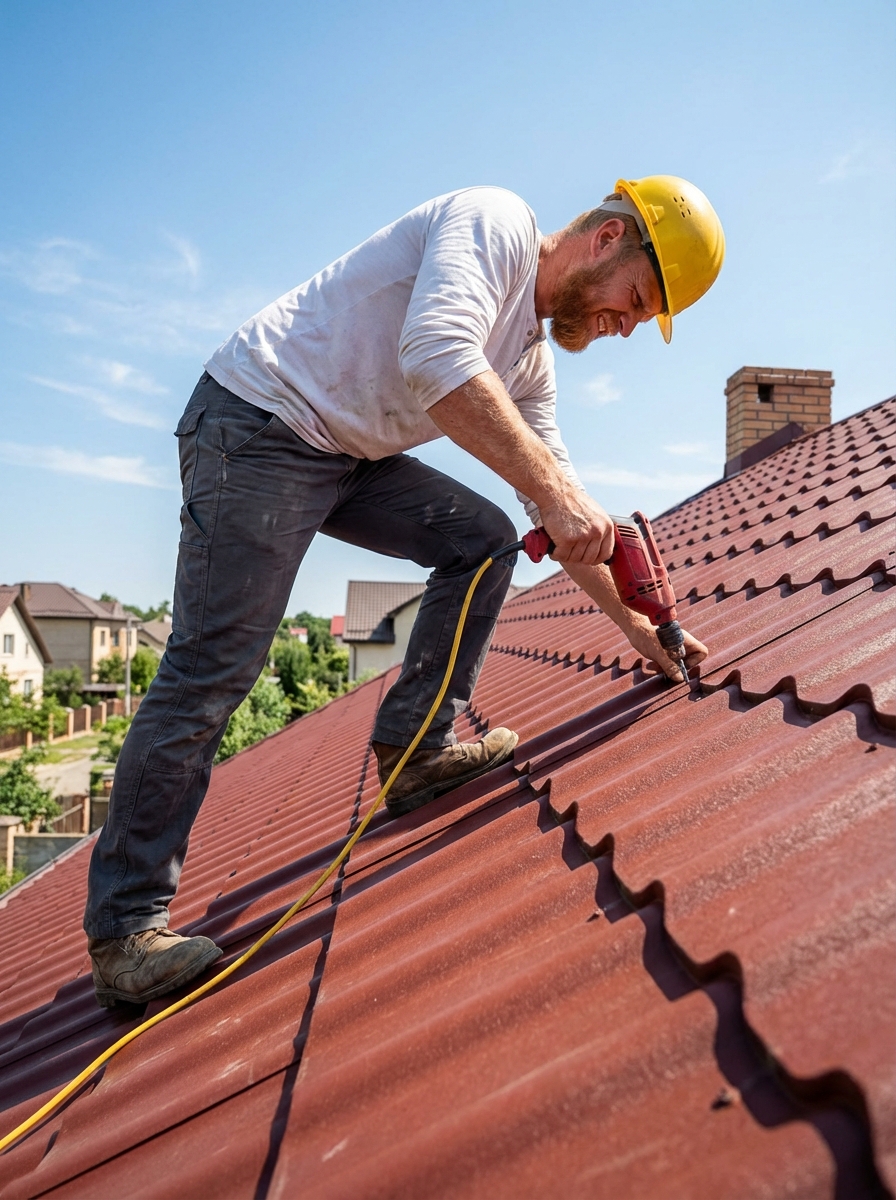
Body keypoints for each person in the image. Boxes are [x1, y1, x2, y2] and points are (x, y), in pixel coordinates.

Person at [84, 175, 725, 1008]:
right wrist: (559, 498)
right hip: (257, 422)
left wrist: (638, 627)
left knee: (483, 539)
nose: (626, 326)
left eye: (641, 320)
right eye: (634, 300)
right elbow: (437, 357)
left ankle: (417, 750)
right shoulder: (495, 221)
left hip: (347, 455)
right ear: (607, 239)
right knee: (214, 667)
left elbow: (556, 506)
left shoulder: (527, 364)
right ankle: (125, 928)